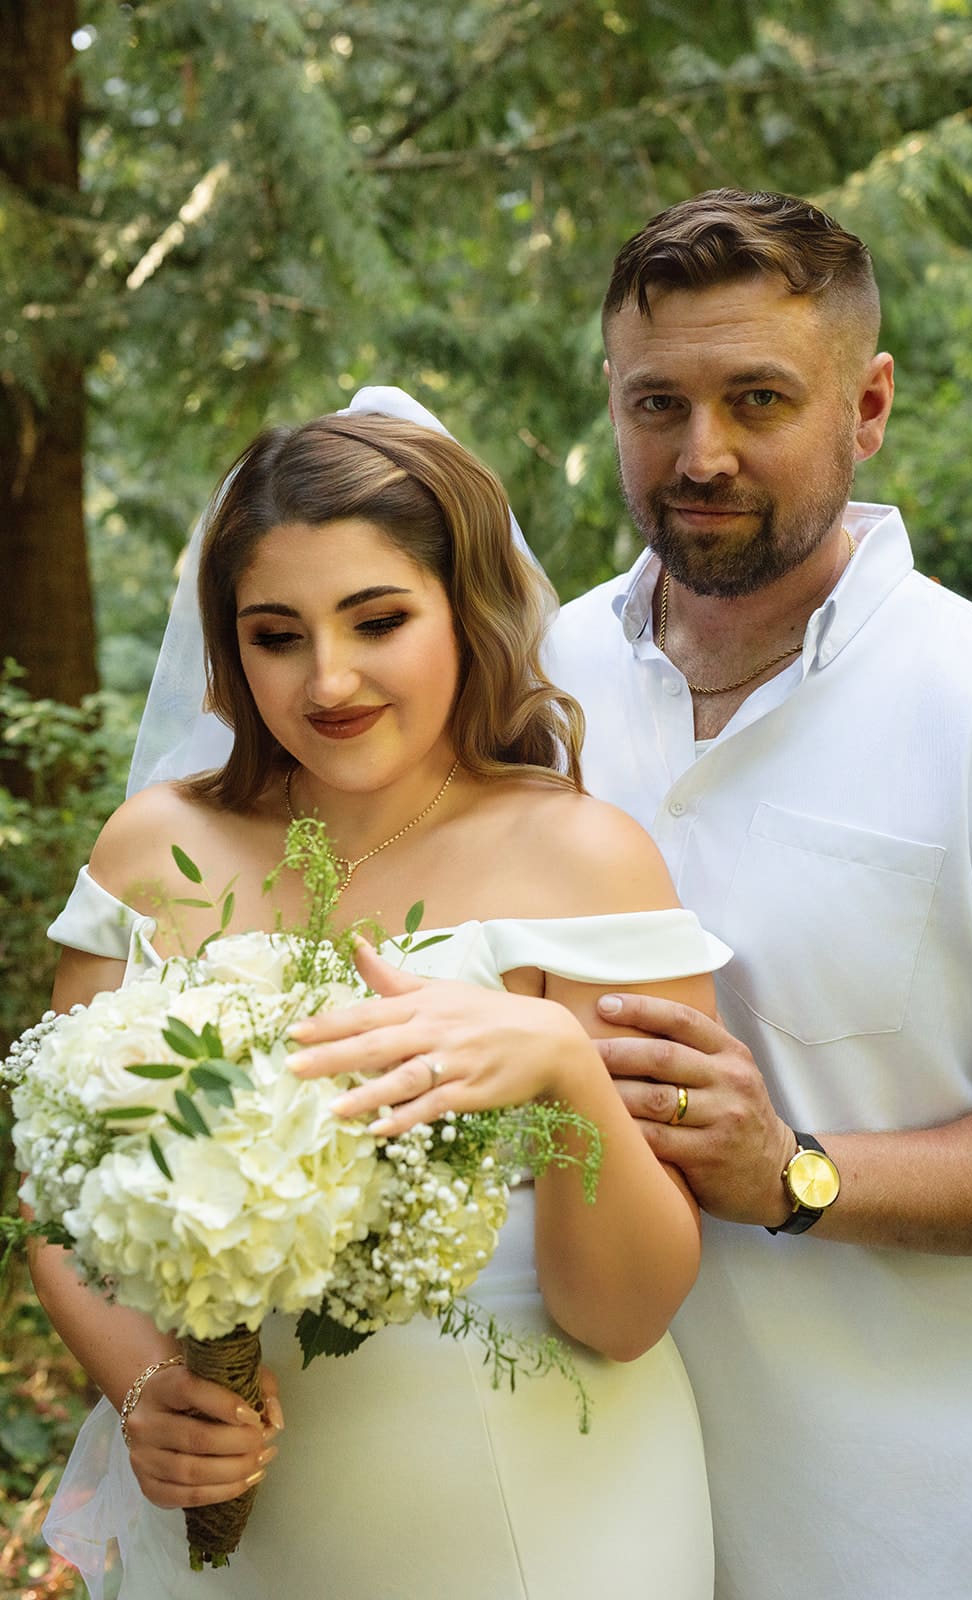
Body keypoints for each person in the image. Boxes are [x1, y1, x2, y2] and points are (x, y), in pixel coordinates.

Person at [289, 193, 972, 1600]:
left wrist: (795, 1173)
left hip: (908, 1532)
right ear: (611, 399)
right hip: (575, 1512)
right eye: (658, 403)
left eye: (756, 399)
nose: (699, 453)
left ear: (866, 406)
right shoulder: (530, 677)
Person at [34, 408, 730, 1598]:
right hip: (231, 1524)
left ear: (465, 609)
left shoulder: (588, 863)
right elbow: (56, 1199)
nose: (328, 679)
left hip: (538, 1516)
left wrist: (563, 1065)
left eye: (378, 620)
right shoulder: (152, 849)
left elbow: (623, 1315)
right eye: (276, 634)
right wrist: (148, 1390)